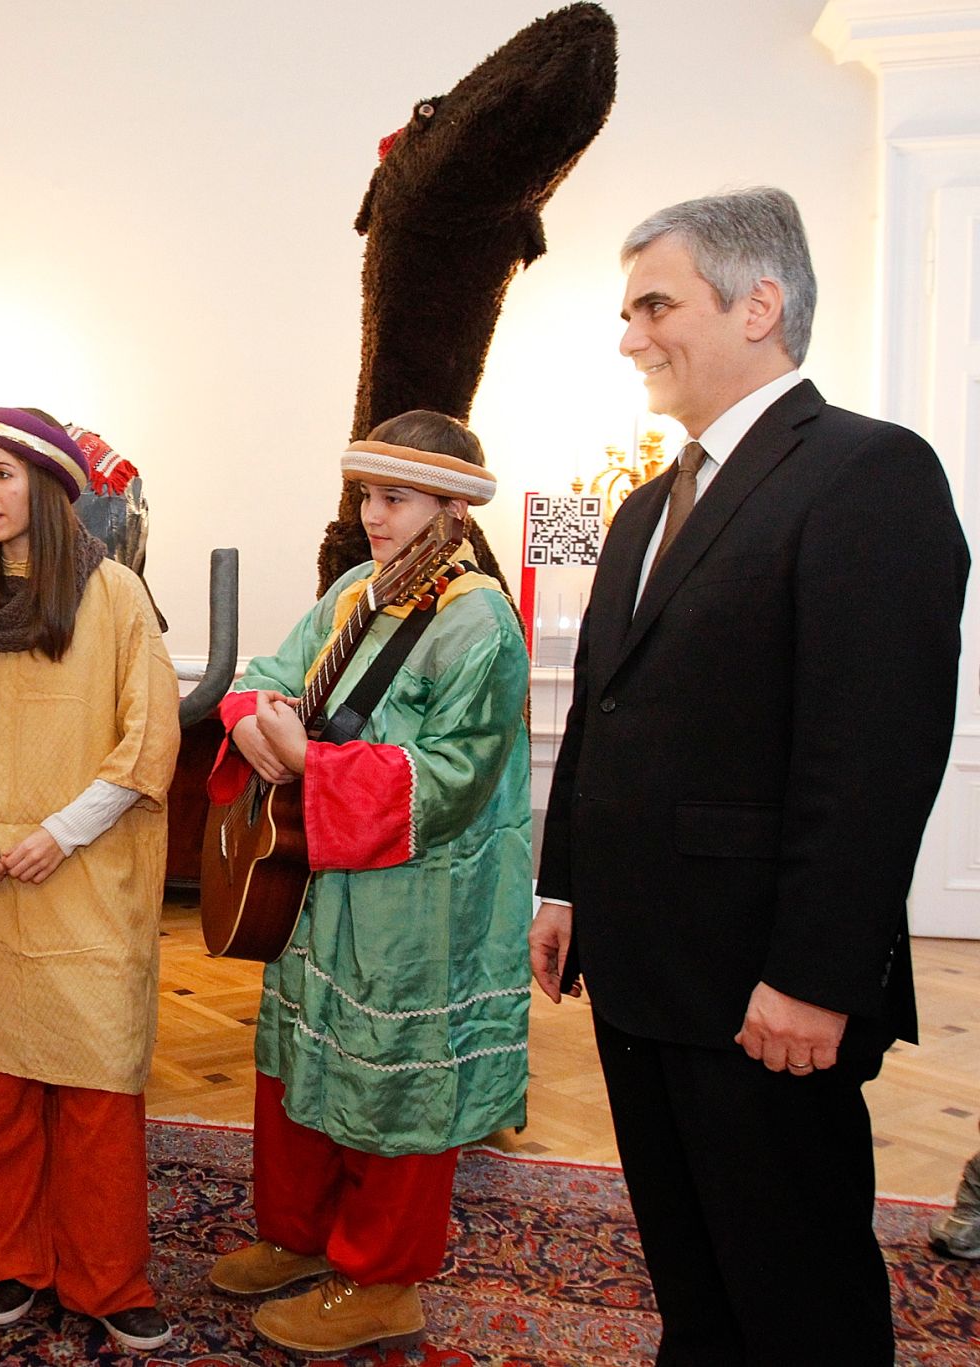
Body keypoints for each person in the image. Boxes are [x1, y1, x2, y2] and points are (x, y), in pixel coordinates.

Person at [529, 188, 969, 1365]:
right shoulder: (639, 507)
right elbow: (598, 719)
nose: (628, 337)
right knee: (691, 1265)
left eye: (653, 304)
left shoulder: (867, 473)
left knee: (794, 1282)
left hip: (761, 989)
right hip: (634, 969)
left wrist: (814, 977)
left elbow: (871, 758)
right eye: (625, 311)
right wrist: (561, 885)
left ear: (759, 302)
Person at [202, 411, 531, 1355]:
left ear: (455, 508)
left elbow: (455, 781)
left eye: (395, 497)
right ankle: (301, 1237)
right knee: (302, 1059)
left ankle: (385, 1281)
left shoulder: (481, 622)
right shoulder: (354, 588)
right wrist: (256, 719)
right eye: (366, 494)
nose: (372, 514)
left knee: (396, 1088)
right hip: (318, 884)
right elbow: (268, 673)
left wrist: (314, 760)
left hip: (415, 902)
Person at [0, 405, 179, 1352]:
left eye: (3, 473)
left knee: (98, 1084)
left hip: (88, 877)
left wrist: (60, 833)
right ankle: (8, 1262)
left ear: (52, 486)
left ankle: (107, 1276)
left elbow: (146, 743)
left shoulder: (118, 598)